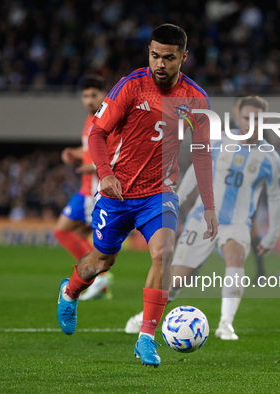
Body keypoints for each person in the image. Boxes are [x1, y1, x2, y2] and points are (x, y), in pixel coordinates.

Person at [56, 24, 218, 368]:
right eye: (154, 55)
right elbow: (98, 133)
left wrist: (210, 206)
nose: (160, 63)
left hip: (159, 192)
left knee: (163, 253)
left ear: (183, 58)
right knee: (102, 261)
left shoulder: (196, 99)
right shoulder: (131, 86)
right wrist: (106, 173)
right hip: (117, 193)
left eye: (169, 58)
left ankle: (145, 338)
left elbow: (202, 153)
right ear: (149, 52)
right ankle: (69, 292)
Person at [125, 96, 280, 340]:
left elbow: (276, 196)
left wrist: (273, 233)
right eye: (246, 117)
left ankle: (225, 324)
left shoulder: (270, 158)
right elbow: (195, 169)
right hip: (203, 218)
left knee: (236, 256)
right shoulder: (219, 139)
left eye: (257, 119)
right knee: (177, 279)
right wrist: (177, 198)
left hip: (237, 223)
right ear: (237, 116)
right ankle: (145, 317)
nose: (251, 123)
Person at [54, 75, 113, 300]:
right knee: (78, 235)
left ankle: (98, 278)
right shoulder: (90, 120)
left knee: (63, 230)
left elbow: (114, 153)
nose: (89, 100)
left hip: (95, 189)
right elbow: (90, 149)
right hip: (86, 187)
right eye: (85, 96)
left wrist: (92, 166)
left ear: (103, 95)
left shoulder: (106, 119)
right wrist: (75, 153)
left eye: (93, 95)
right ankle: (94, 280)